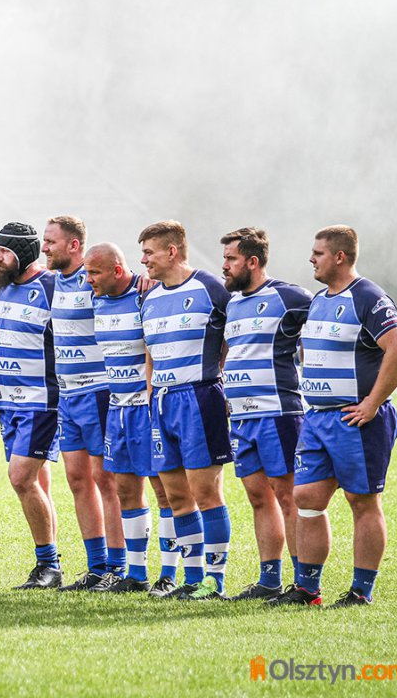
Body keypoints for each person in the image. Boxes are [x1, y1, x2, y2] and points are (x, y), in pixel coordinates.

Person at [271, 225, 397, 607]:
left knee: (361, 501)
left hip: (355, 420)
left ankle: (361, 591)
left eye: (317, 253)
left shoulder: (368, 296)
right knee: (306, 496)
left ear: (340, 256)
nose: (311, 259)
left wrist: (372, 403)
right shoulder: (319, 300)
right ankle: (307, 590)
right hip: (318, 419)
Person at [138, 221, 233, 600]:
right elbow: (149, 352)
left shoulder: (210, 288)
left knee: (206, 492)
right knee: (176, 496)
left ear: (172, 251)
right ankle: (192, 579)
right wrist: (151, 395)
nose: (143, 260)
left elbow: (232, 337)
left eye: (149, 252)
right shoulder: (149, 298)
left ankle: (215, 580)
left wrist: (218, 376)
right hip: (162, 403)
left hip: (199, 398)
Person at [218, 228, 312, 600]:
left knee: (288, 497)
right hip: (242, 419)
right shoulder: (232, 304)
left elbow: (323, 331)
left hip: (279, 414)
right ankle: (269, 579)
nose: (225, 266)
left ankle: (303, 583)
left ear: (253, 261)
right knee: (258, 498)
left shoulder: (290, 297)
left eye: (231, 259)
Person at [84, 242, 179, 595]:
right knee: (125, 489)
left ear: (117, 270)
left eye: (94, 272)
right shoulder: (96, 298)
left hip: (146, 407)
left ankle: (168, 574)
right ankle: (136, 575)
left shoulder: (146, 295)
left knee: (164, 491)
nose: (88, 279)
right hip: (117, 407)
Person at [41, 216, 127, 591]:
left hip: (98, 392)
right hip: (68, 394)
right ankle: (96, 566)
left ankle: (119, 567)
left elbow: (130, 286)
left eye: (51, 242)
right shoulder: (51, 281)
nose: (44, 248)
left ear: (74, 245)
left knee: (105, 480)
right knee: (77, 479)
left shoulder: (93, 278)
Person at [0, 222, 62, 589]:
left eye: (5, 251)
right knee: (37, 482)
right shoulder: (1, 287)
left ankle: (49, 564)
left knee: (21, 478)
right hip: (8, 402)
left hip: (40, 401)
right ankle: (50, 566)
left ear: (24, 253)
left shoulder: (50, 286)